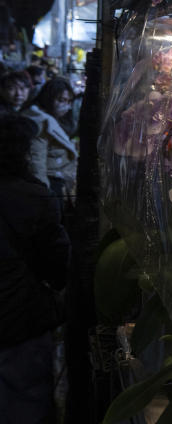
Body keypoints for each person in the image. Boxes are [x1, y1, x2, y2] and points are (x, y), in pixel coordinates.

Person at [0, 114, 71, 423]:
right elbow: (56, 264)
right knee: (23, 405)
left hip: (17, 315)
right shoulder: (32, 196)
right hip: (19, 320)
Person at [23, 78, 79, 196]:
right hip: (49, 184)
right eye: (61, 100)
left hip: (57, 181)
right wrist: (45, 194)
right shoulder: (41, 122)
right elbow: (37, 163)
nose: (66, 106)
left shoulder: (54, 120)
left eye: (69, 101)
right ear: (48, 98)